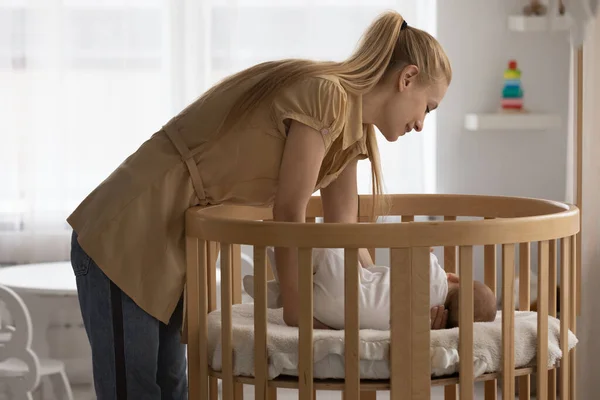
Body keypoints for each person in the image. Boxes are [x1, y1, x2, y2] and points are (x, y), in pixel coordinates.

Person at [67, 10, 451, 399]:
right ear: (407, 78)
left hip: (175, 240)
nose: (421, 124)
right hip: (131, 226)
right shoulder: (328, 95)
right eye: (428, 108)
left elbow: (345, 237)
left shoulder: (353, 134)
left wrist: (395, 307)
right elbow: (289, 211)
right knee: (134, 390)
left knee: (171, 387)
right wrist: (297, 308)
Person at [243, 248, 497, 330]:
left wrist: (426, 247)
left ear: (456, 279)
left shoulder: (435, 278)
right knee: (314, 294)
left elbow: (416, 250)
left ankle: (280, 261)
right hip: (336, 316)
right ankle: (277, 294)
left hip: (346, 285)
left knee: (328, 249)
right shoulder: (425, 322)